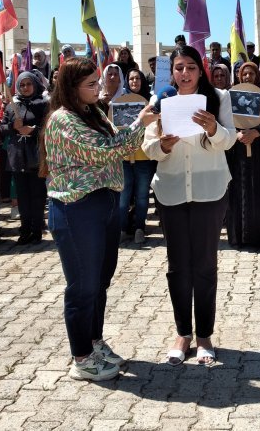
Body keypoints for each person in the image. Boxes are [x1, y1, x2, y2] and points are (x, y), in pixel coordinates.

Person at [44, 57, 157, 381]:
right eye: (91, 84)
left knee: (100, 282)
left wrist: (145, 130)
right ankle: (81, 357)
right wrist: (141, 124)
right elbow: (106, 150)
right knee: (83, 286)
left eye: (97, 82)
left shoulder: (92, 112)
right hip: (77, 208)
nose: (99, 88)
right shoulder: (63, 120)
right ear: (71, 88)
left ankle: (94, 342)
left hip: (103, 203)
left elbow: (116, 140)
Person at [143, 46, 235, 366]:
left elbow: (229, 140)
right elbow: (147, 146)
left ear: (201, 70)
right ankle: (183, 333)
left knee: (205, 265)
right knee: (178, 266)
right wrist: (161, 145)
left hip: (210, 188)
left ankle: (205, 335)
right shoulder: (160, 99)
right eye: (179, 68)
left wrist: (213, 128)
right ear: (172, 72)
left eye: (191, 67)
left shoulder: (219, 97)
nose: (185, 74)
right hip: (171, 190)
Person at [226, 62, 260, 248]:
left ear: (257, 75)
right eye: (244, 74)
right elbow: (224, 121)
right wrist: (237, 134)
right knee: (239, 191)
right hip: (238, 150)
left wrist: (257, 132)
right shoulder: (231, 95)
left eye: (251, 74)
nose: (248, 77)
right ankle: (239, 237)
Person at [0, 72, 49, 245]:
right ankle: (25, 229)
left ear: (35, 85)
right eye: (22, 85)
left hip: (36, 156)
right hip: (18, 156)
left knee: (37, 195)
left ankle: (36, 230)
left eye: (29, 84)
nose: (26, 88)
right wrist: (13, 127)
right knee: (22, 196)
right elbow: (1, 128)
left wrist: (34, 130)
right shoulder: (13, 105)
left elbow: (49, 127)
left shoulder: (44, 104)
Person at [117, 68, 156, 244]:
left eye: (137, 79)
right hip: (125, 157)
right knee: (124, 197)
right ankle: (123, 228)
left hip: (144, 157)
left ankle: (140, 227)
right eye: (131, 79)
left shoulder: (150, 102)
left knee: (141, 196)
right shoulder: (118, 103)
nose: (134, 82)